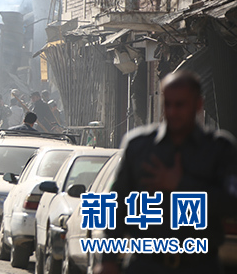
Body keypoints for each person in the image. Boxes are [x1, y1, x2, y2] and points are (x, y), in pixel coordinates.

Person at [95, 71, 237, 274]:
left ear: (198, 104)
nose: (172, 111)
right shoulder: (139, 146)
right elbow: (117, 207)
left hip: (200, 265)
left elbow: (231, 203)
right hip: (146, 264)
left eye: (180, 104)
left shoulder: (219, 148)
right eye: (167, 104)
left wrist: (182, 185)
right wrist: (107, 260)